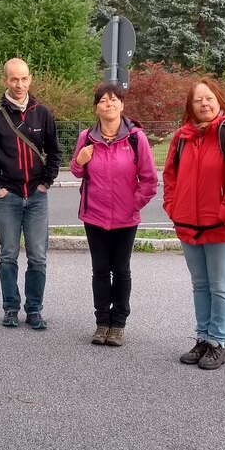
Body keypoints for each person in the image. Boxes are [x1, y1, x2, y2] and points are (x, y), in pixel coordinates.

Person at [162, 77, 225, 371]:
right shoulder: (181, 137)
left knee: (219, 285)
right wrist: (172, 207)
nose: (204, 104)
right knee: (200, 284)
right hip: (187, 222)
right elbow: (171, 178)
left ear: (219, 100)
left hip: (220, 226)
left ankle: (217, 343)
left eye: (209, 98)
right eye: (198, 100)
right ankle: (203, 337)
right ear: (190, 105)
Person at [69, 81, 158, 347]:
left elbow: (150, 180)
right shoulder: (86, 137)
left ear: (122, 105)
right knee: (99, 270)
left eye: (114, 99)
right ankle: (101, 323)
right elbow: (76, 171)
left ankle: (118, 324)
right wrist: (80, 160)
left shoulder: (135, 138)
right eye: (103, 100)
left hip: (125, 218)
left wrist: (134, 204)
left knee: (121, 270)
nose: (109, 103)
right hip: (94, 216)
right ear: (96, 108)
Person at [0, 58, 62, 330]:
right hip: (8, 197)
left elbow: (55, 152)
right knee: (8, 255)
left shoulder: (42, 113)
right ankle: (10, 308)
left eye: (24, 79)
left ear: (30, 79)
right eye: (14, 79)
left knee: (38, 256)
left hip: (36, 196)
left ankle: (34, 310)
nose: (20, 84)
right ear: (5, 81)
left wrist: (46, 183)